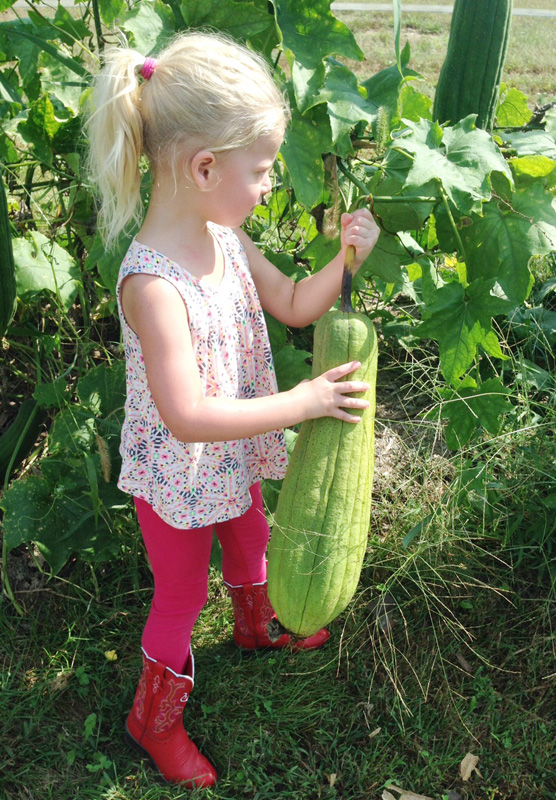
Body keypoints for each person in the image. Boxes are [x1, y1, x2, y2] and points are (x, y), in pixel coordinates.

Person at [86, 31, 379, 790]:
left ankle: (254, 627)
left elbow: (289, 304)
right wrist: (303, 401)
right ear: (204, 167)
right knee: (182, 594)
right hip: (179, 475)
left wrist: (343, 263)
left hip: (232, 454)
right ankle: (153, 721)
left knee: (250, 535)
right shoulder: (153, 285)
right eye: (261, 170)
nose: (268, 183)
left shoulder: (225, 233)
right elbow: (185, 415)